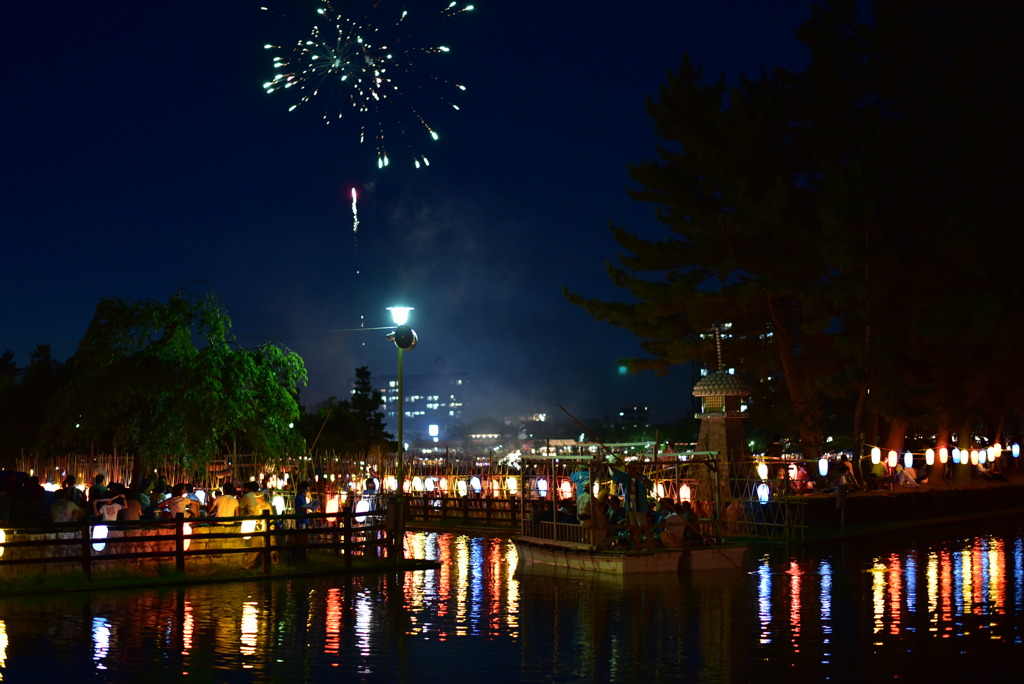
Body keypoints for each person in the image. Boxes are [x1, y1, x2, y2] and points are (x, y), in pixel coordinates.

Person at [610, 462, 655, 550]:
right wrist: (610, 466)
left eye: (629, 468)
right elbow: (617, 473)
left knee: (643, 526)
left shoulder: (641, 478)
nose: (627, 470)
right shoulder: (628, 477)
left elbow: (650, 485)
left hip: (640, 506)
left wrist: (640, 478)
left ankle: (649, 544)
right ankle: (638, 544)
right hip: (631, 507)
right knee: (634, 527)